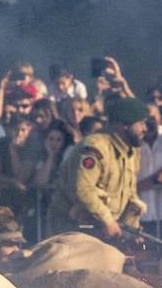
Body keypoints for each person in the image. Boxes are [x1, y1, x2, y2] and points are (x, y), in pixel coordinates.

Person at [45, 94, 148, 244]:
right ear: (124, 125)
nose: (145, 129)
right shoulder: (95, 148)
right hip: (72, 226)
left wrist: (131, 229)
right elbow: (83, 189)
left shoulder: (131, 152)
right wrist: (108, 221)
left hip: (100, 229)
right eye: (141, 123)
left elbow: (129, 194)